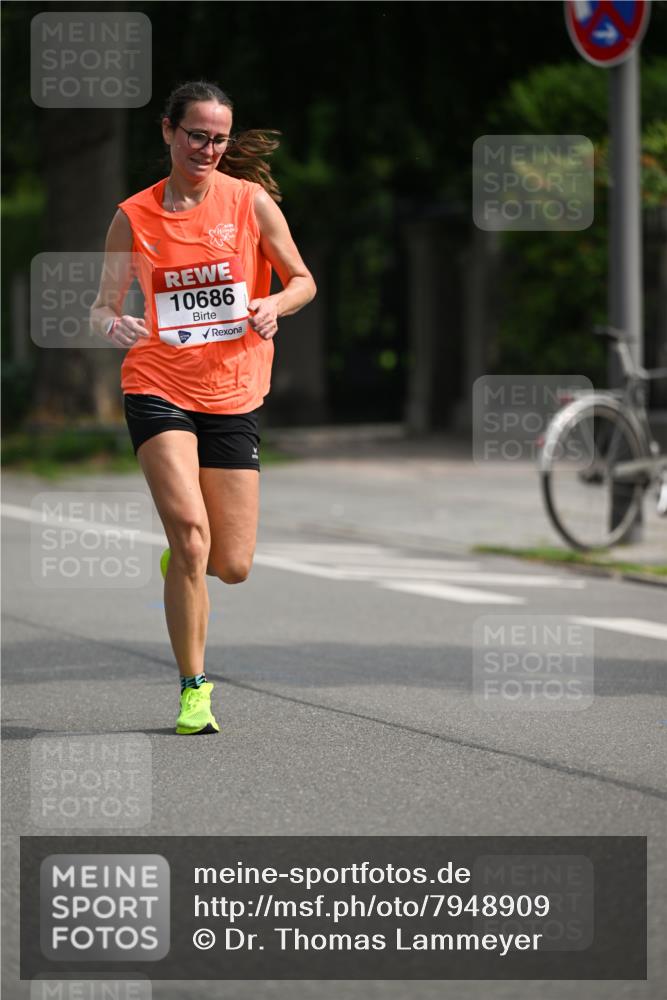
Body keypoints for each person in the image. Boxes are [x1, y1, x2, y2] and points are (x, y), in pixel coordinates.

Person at [91, 80, 316, 734]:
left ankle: (183, 563)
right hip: (157, 384)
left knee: (231, 564)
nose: (208, 149)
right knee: (192, 534)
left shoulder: (249, 203)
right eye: (196, 135)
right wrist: (113, 324)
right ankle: (195, 689)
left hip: (233, 391)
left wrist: (273, 304)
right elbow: (103, 305)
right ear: (168, 132)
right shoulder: (134, 216)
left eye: (218, 139)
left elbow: (302, 280)